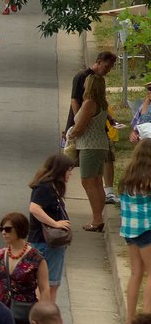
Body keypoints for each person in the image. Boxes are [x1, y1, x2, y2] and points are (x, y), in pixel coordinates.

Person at [28, 154, 74, 305]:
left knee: (47, 284)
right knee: (49, 284)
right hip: (44, 242)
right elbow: (34, 208)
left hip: (45, 242)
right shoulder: (45, 187)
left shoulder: (51, 187)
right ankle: (45, 316)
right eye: (68, 170)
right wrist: (55, 223)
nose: (70, 174)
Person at [68, 72, 111, 232]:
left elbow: (81, 126)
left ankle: (97, 219)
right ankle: (98, 216)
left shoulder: (89, 104)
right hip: (100, 144)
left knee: (87, 181)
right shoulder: (102, 103)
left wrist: (70, 134)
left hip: (89, 145)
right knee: (97, 182)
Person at [121, 139, 151, 324]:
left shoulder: (127, 177)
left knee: (136, 274)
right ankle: (147, 319)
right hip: (147, 229)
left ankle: (130, 320)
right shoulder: (148, 179)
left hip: (129, 231)